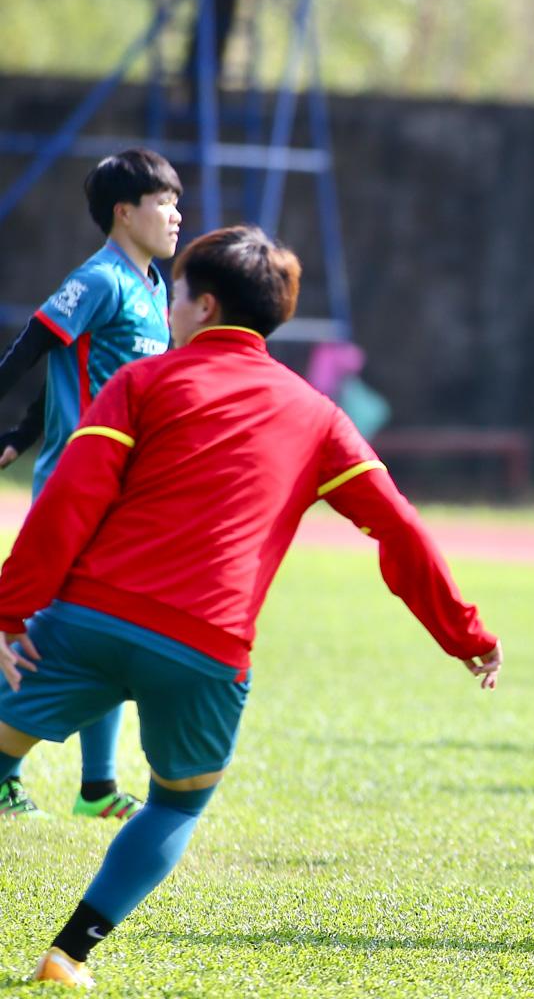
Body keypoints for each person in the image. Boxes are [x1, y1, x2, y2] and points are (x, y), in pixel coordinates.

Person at [0, 226, 501, 989]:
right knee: (174, 807)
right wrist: (464, 634)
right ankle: (68, 954)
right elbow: (398, 526)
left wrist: (8, 614)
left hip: (88, 621)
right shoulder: (319, 416)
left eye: (173, 296)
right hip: (204, 649)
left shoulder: (142, 382)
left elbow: (69, 500)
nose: (167, 310)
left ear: (203, 304)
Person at [0, 148, 183, 823]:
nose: (176, 214)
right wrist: (22, 433)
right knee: (42, 622)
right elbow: (35, 348)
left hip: (126, 492)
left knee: (109, 625)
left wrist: (20, 432)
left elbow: (76, 372)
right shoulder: (100, 278)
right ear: (124, 211)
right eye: (163, 201)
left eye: (176, 200)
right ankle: (6, 773)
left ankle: (96, 787)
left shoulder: (155, 285)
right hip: (76, 490)